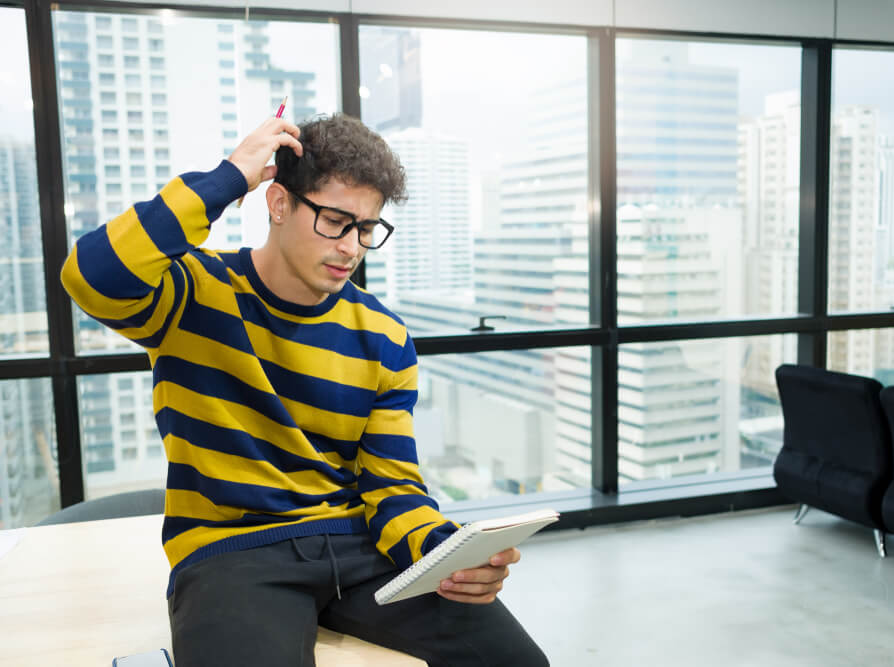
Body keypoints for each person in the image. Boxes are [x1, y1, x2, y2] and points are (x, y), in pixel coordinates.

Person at [61, 113, 548, 667]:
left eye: (366, 228)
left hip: (360, 546)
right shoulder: (192, 294)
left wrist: (444, 552)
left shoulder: (384, 336)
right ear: (278, 204)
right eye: (336, 220)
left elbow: (392, 487)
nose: (352, 246)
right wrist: (228, 178)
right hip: (232, 553)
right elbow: (91, 274)